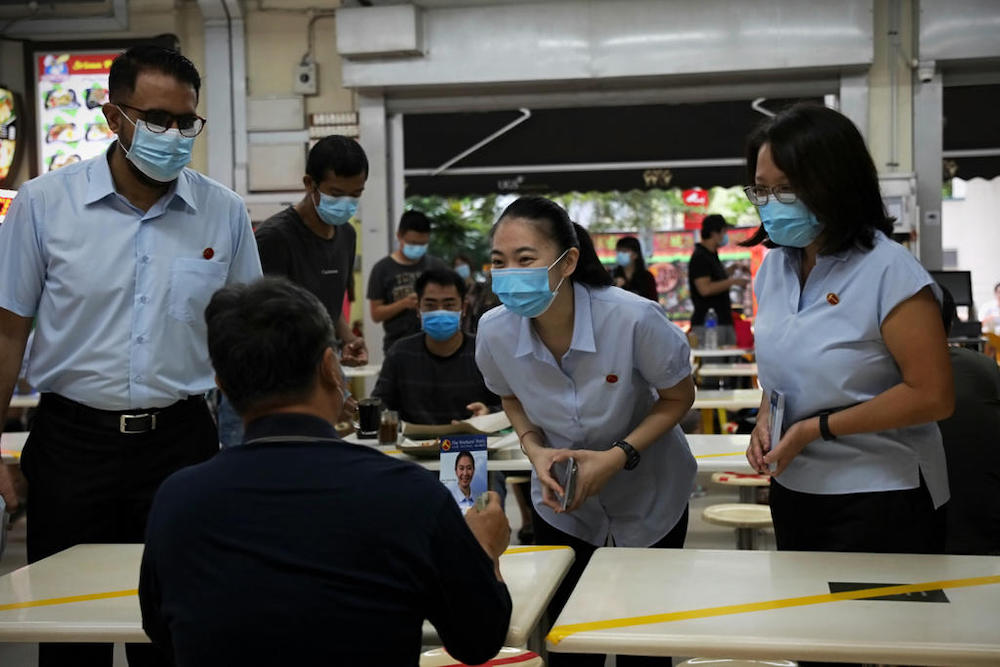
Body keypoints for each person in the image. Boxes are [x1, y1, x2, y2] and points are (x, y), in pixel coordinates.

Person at [0, 45, 263, 667]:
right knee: (69, 634)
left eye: (184, 123)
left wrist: (258, 451)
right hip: (70, 446)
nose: (173, 137)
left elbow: (249, 338)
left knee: (176, 633)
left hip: (181, 447)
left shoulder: (220, 212)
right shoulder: (44, 205)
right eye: (156, 120)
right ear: (114, 117)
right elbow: (8, 332)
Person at [139, 277, 512, 666]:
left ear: (222, 385)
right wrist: (484, 548)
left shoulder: (179, 499)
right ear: (331, 368)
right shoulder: (410, 496)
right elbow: (479, 639)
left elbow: (162, 630)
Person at [475, 196, 696, 667]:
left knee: (644, 643)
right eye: (499, 262)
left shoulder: (633, 319)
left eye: (525, 259)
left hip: (650, 491)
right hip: (563, 500)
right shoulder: (494, 332)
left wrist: (617, 456)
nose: (509, 273)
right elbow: (509, 395)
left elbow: (679, 398)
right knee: (572, 641)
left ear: (568, 260)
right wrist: (534, 449)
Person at [743, 104, 953, 559]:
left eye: (788, 189)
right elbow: (788, 364)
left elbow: (932, 394)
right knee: (806, 624)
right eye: (762, 190)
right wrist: (766, 418)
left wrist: (813, 429)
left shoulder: (888, 270)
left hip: (881, 490)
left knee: (872, 627)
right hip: (795, 485)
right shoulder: (774, 268)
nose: (772, 204)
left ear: (834, 184)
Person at [216, 135, 369, 446]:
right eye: (336, 194)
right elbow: (258, 330)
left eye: (356, 195)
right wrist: (325, 385)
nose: (347, 205)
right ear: (309, 184)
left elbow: (328, 303)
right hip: (266, 387)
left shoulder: (347, 236)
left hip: (315, 373)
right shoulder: (274, 239)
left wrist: (347, 338)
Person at [372, 267, 499, 425]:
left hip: (470, 445)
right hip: (413, 446)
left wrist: (488, 413)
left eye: (449, 304)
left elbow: (508, 405)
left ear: (463, 308)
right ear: (418, 309)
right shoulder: (400, 353)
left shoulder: (483, 350)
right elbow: (380, 404)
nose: (440, 312)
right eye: (430, 305)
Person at [937, 287, 1000, 555]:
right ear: (951, 325)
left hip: (900, 539)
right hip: (982, 533)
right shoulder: (983, 368)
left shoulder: (870, 381)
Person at [367, 210, 449, 354]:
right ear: (399, 236)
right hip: (397, 347)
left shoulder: (437, 266)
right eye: (413, 243)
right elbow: (376, 314)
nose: (418, 248)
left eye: (423, 244)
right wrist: (404, 303)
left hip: (435, 344)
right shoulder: (382, 269)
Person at [688, 214, 748, 347]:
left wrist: (732, 269)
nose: (725, 237)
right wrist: (733, 281)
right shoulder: (700, 256)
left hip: (723, 321)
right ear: (714, 233)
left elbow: (714, 277)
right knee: (713, 366)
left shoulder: (712, 254)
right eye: (724, 232)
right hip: (709, 325)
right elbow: (705, 289)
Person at [612, 236, 658, 301]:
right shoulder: (612, 275)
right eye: (618, 251)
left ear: (636, 255)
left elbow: (653, 303)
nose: (620, 254)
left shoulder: (647, 277)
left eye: (624, 251)